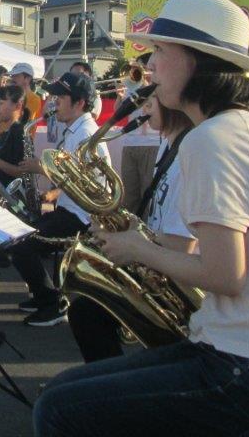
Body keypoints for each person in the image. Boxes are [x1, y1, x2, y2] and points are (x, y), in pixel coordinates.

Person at [34, 0, 249, 437]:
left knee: (58, 407)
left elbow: (226, 275)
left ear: (197, 61)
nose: (149, 67)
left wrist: (134, 247)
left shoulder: (213, 138)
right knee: (65, 393)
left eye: (161, 52)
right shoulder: (247, 126)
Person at [66, 94, 195, 362]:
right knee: (86, 313)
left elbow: (181, 246)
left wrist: (131, 243)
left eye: (155, 96)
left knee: (87, 315)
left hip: (177, 293)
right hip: (162, 270)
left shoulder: (189, 155)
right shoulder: (168, 146)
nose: (146, 105)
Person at [11, 71, 107, 326]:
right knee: (21, 238)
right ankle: (45, 295)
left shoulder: (85, 133)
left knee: (22, 246)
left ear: (79, 103)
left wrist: (38, 167)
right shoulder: (76, 129)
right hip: (71, 209)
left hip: (81, 217)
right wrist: (53, 192)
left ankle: (53, 303)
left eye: (60, 98)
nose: (53, 103)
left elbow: (75, 173)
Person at [113, 53, 161, 212]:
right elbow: (118, 114)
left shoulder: (157, 91)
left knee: (147, 193)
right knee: (130, 195)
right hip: (130, 144)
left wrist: (147, 86)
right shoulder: (130, 89)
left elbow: (151, 111)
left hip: (151, 145)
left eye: (140, 68)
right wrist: (119, 97)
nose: (136, 72)